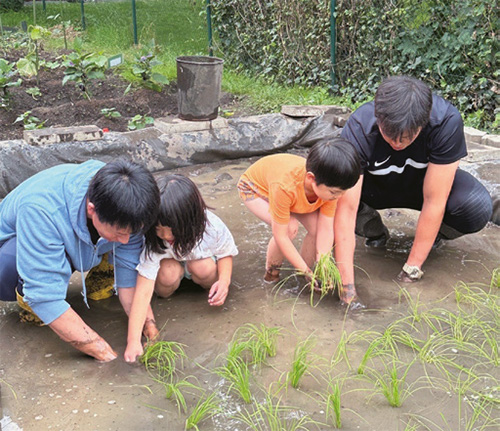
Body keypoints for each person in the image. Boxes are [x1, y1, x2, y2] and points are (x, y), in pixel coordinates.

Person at [336, 75, 493, 301]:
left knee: (476, 206)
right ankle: (372, 230)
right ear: (378, 118)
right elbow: (346, 209)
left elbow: (435, 200)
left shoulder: (445, 122)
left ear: (424, 122)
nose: (398, 143)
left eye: (408, 137)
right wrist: (347, 286)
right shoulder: (360, 126)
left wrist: (411, 271)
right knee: (330, 191)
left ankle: (434, 236)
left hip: (420, 189)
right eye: (390, 136)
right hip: (373, 191)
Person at [0, 160, 160, 361]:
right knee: (10, 271)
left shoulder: (124, 199)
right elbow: (45, 298)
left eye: (132, 232)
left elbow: (129, 272)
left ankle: (98, 279)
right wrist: (104, 353)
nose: (126, 240)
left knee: (119, 240)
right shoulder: (40, 209)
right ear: (92, 209)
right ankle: (27, 299)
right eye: (120, 232)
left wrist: (147, 324)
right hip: (12, 247)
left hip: (82, 237)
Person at [124, 174, 238, 362]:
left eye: (172, 228)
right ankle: (171, 289)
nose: (165, 235)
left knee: (203, 267)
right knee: (168, 273)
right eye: (158, 228)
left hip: (198, 265)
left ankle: (203, 287)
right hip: (169, 269)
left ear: (192, 220)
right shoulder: (154, 242)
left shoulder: (212, 226)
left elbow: (225, 253)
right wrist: (133, 340)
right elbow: (143, 292)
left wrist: (224, 282)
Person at [237, 138, 361, 305]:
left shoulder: (331, 187)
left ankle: (304, 277)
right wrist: (304, 269)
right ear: (311, 178)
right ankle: (271, 274)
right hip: (256, 190)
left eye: (342, 193)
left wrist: (322, 263)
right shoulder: (284, 186)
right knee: (289, 227)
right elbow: (280, 235)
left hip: (298, 196)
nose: (338, 198)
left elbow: (325, 228)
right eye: (334, 193)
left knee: (316, 228)